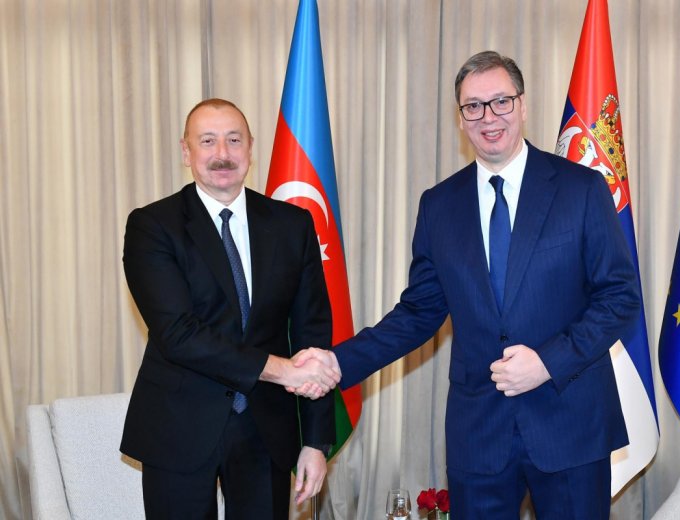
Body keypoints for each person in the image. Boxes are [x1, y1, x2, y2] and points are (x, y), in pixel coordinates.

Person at [294, 51, 640, 519]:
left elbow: (619, 297)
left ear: (522, 105)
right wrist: (338, 362)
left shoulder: (581, 189)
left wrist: (547, 362)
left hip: (571, 423)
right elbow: (418, 313)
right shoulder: (439, 205)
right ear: (460, 119)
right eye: (473, 106)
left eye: (500, 102)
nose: (488, 117)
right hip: (479, 433)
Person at [120, 98, 340, 520]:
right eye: (207, 141)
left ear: (251, 148)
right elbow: (179, 333)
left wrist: (315, 441)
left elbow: (313, 334)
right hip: (179, 429)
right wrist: (282, 370)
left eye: (234, 140)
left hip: (266, 433)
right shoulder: (153, 226)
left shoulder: (292, 225)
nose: (222, 153)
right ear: (186, 151)